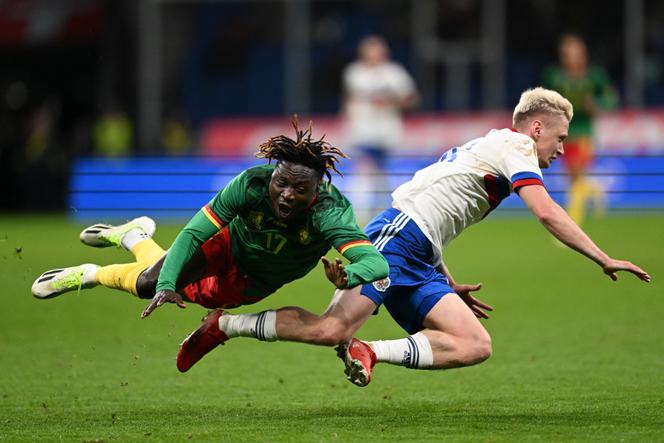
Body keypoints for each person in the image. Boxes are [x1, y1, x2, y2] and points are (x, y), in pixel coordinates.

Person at [175, 87, 650, 385]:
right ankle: (225, 325)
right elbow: (546, 214)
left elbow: (430, 197)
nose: (562, 149)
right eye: (560, 138)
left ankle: (371, 352)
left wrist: (445, 274)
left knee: (474, 344)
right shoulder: (515, 145)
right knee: (332, 328)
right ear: (538, 127)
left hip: (421, 253)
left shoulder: (491, 147)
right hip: (396, 241)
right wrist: (602, 257)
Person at [31, 119, 390, 336]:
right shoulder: (250, 184)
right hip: (227, 244)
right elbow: (193, 234)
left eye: (299, 189)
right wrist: (170, 284)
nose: (285, 194)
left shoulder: (330, 212)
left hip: (257, 279)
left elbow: (377, 265)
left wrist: (351, 275)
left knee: (173, 282)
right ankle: (88, 274)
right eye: (281, 182)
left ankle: (134, 235)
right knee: (150, 284)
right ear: (273, 174)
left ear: (316, 191)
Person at [542, 34, 618, 225]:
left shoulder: (594, 77)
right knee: (572, 179)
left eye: (575, 53)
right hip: (563, 134)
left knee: (575, 175)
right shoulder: (555, 77)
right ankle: (595, 190)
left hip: (584, 133)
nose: (571, 58)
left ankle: (571, 222)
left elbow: (611, 97)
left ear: (583, 54)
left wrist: (597, 105)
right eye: (567, 53)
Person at [342, 35, 419, 222]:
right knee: (364, 170)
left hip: (386, 131)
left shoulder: (394, 73)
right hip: (362, 130)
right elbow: (348, 98)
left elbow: (412, 98)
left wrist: (388, 101)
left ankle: (389, 212)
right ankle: (359, 214)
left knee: (382, 175)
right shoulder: (354, 72)